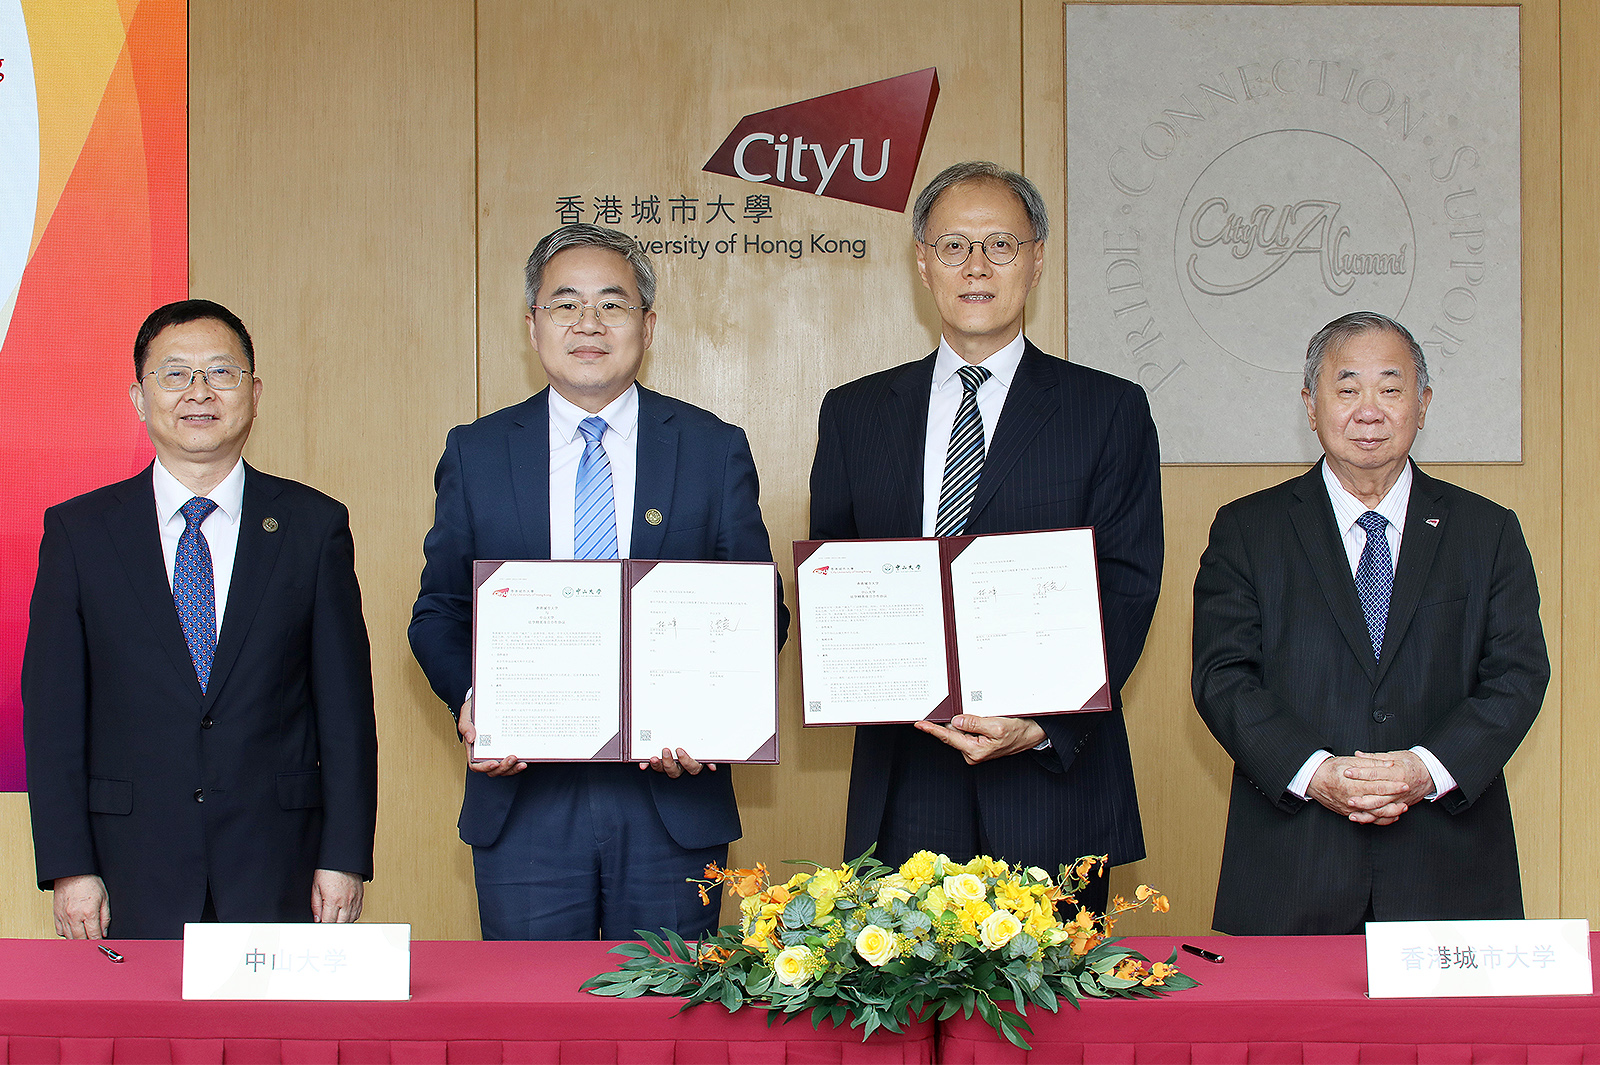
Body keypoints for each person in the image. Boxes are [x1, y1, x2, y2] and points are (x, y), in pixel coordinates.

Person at [409, 223, 788, 941]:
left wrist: (714, 712)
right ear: (532, 325)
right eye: (565, 304)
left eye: (613, 305)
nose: (589, 323)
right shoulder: (478, 451)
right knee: (532, 1031)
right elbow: (439, 611)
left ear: (648, 324)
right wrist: (472, 699)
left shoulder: (712, 448)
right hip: (524, 805)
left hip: (672, 801)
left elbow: (760, 609)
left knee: (673, 1026)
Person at [808, 161, 1163, 913]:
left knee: (1053, 1027)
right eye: (954, 246)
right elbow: (835, 582)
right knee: (897, 1021)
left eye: (1001, 245)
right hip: (905, 780)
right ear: (922, 262)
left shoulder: (1108, 410)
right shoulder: (855, 413)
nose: (976, 266)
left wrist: (1042, 724)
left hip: (1053, 783)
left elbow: (1127, 584)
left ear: (1036, 260)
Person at [22, 299, 379, 940]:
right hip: (127, 864)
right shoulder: (79, 532)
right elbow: (52, 718)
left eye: (221, 372)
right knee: (140, 1042)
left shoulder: (312, 526)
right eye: (175, 374)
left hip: (279, 862)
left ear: (254, 392)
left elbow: (346, 710)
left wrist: (344, 856)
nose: (199, 393)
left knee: (269, 1042)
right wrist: (69, 867)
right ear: (139, 396)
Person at [1192, 311, 1548, 935]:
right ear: (1310, 404)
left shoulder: (1486, 532)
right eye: (1347, 387)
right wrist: (1316, 774)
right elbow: (1223, 678)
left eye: (1391, 387)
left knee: (1452, 1039)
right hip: (1295, 865)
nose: (1369, 409)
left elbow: (1516, 676)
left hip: (1449, 870)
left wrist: (1426, 770)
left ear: (1423, 403)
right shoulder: (1248, 531)